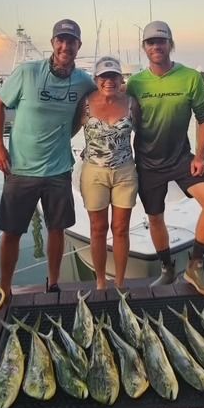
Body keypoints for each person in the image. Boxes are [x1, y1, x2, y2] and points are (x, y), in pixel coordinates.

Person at [0, 19, 95, 297]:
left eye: (71, 41)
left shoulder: (84, 81)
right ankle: (4, 287)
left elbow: (99, 103)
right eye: (60, 40)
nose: (65, 46)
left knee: (57, 229)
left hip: (58, 169)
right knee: (12, 232)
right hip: (21, 168)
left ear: (78, 46)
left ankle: (53, 282)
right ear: (52, 43)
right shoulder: (27, 72)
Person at [127, 21, 204, 296]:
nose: (156, 46)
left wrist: (201, 157)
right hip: (147, 163)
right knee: (155, 217)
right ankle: (167, 269)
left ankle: (195, 266)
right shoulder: (135, 83)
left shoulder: (191, 77)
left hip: (182, 157)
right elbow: (121, 118)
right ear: (144, 48)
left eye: (161, 41)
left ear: (171, 44)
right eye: (150, 42)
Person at [77, 56, 139, 289]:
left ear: (120, 78)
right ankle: (101, 282)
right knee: (98, 228)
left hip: (125, 173)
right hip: (94, 174)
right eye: (104, 76)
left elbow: (142, 135)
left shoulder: (132, 103)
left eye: (113, 76)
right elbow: (69, 129)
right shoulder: (85, 102)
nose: (108, 81)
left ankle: (120, 283)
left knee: (121, 229)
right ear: (96, 79)